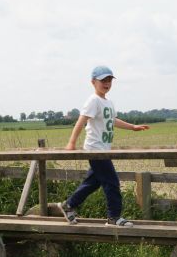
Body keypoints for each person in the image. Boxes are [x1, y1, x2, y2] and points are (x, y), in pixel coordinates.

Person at [59, 65, 150, 226]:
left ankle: (69, 205)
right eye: (103, 80)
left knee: (93, 182)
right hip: (95, 149)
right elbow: (81, 121)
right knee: (112, 182)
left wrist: (132, 127)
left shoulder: (108, 102)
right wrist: (71, 142)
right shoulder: (93, 101)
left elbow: (113, 120)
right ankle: (113, 217)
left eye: (109, 80)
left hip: (103, 149)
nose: (107, 83)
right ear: (93, 82)